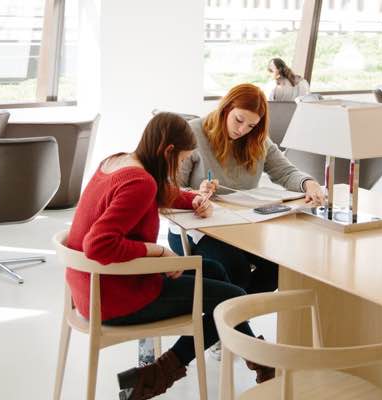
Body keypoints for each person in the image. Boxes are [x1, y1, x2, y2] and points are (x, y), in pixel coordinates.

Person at [66, 113, 273, 400]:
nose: (179, 167)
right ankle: (161, 374)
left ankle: (261, 364)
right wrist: (159, 251)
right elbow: (98, 245)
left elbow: (155, 192)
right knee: (232, 299)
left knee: (213, 270)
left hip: (91, 288)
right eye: (181, 160)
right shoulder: (141, 182)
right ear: (168, 152)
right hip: (115, 298)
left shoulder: (118, 162)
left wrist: (193, 199)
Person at [168, 83, 325, 296]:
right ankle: (230, 312)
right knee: (236, 271)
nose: (242, 130)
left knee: (278, 267)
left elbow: (286, 172)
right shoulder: (192, 134)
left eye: (251, 125)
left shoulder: (257, 140)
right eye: (239, 120)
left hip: (241, 226)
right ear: (226, 108)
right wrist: (196, 195)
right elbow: (170, 189)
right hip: (196, 230)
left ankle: (230, 311)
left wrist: (309, 184)